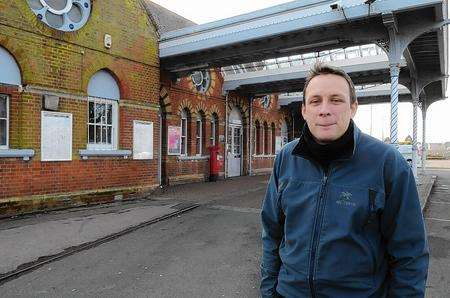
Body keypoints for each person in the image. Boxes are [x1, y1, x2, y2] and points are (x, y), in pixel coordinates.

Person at [260, 63, 429, 297]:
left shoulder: (387, 163)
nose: (325, 110)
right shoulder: (286, 159)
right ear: (304, 110)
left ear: (353, 107)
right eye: (315, 101)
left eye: (336, 100)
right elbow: (272, 233)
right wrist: (269, 292)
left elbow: (410, 252)